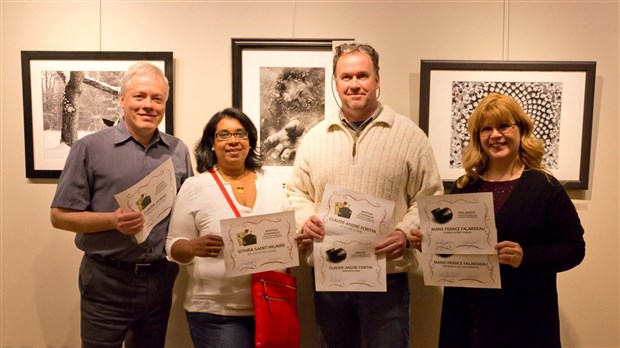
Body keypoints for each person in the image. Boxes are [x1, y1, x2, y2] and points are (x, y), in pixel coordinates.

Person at [286, 42, 444, 347]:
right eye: (346, 77)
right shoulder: (315, 138)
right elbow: (296, 193)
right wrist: (306, 219)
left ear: (377, 80)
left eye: (362, 75)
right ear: (335, 82)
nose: (354, 84)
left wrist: (405, 233)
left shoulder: (410, 136)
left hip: (387, 278)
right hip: (329, 276)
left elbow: (430, 200)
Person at [50, 62, 193, 347]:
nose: (148, 105)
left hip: (159, 278)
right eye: (140, 96)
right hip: (106, 279)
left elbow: (187, 212)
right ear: (122, 99)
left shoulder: (178, 150)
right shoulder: (89, 148)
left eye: (157, 98)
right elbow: (60, 216)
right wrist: (112, 221)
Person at [438, 93, 586, 348]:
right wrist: (431, 244)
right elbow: (452, 249)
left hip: (525, 318)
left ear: (521, 130)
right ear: (478, 137)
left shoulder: (546, 188)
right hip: (467, 315)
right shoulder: (465, 187)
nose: (495, 135)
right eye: (486, 129)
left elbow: (574, 249)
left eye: (504, 126)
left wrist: (526, 257)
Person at [165, 107, 291, 348]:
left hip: (272, 304)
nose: (233, 141)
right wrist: (191, 247)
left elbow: (288, 235)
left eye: (240, 134)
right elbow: (172, 247)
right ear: (212, 143)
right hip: (216, 312)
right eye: (224, 135)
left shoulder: (272, 183)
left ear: (250, 141)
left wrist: (298, 241)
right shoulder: (194, 187)